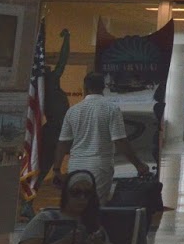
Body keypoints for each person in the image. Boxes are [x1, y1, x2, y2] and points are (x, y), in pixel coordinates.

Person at [51, 73, 150, 203]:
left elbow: (63, 143)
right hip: (99, 166)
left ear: (84, 88)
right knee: (95, 205)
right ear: (103, 87)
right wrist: (138, 165)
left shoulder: (73, 111)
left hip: (75, 164)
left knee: (75, 204)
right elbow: (120, 141)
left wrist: (57, 169)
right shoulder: (111, 109)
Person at [19, 169, 113, 244]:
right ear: (66, 194)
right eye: (76, 192)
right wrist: (62, 243)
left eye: (87, 193)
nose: (82, 198)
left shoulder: (94, 225)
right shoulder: (46, 219)